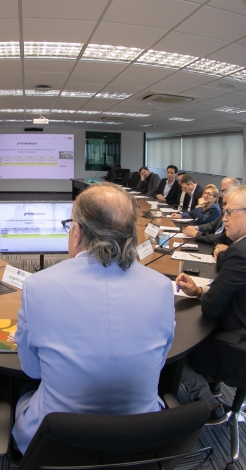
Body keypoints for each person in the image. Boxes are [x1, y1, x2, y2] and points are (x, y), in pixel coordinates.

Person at [12, 182, 176, 454]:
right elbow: (157, 363)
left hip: (57, 440)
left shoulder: (37, 287)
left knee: (24, 395)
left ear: (77, 233)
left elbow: (33, 371)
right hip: (141, 435)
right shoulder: (161, 287)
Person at [175, 186, 246, 422]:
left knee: (173, 340)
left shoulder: (241, 253)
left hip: (240, 342)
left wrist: (203, 296)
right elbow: (235, 287)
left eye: (228, 213)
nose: (223, 220)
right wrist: (200, 289)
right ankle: (212, 385)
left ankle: (207, 401)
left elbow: (211, 308)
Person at [183, 177, 240, 242]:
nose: (224, 194)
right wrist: (196, 228)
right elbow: (212, 225)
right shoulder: (224, 207)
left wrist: (197, 234)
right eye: (222, 191)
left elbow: (223, 237)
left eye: (226, 190)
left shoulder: (217, 209)